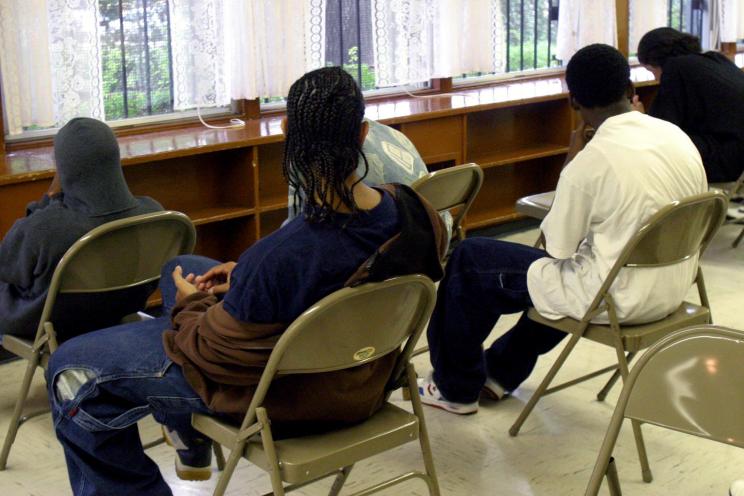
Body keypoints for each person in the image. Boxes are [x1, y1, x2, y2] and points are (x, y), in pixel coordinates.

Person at [47, 66, 447, 495]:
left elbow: (210, 354)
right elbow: (340, 278)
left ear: (287, 130)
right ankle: (189, 437)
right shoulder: (414, 212)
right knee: (179, 265)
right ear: (364, 133)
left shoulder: (281, 256)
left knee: (70, 368)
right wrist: (244, 279)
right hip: (367, 375)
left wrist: (191, 305)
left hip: (288, 398)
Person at [418, 44, 707, 415]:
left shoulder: (592, 160)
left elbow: (556, 248)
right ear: (631, 88)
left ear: (574, 102)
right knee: (561, 280)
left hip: (617, 299)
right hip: (673, 287)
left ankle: (454, 389)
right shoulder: (675, 136)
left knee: (471, 260)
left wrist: (573, 154)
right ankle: (499, 373)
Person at [0, 118, 161, 343]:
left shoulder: (45, 227)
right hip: (119, 311)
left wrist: (48, 197)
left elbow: (7, 266)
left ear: (64, 167)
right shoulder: (154, 213)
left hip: (53, 323)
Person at [287, 118, 454, 238]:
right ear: (363, 129)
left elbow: (297, 228)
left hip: (405, 245)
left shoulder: (309, 156)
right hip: (433, 238)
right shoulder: (392, 134)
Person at [636, 27, 744, 183]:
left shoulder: (675, 68)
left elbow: (661, 127)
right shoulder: (715, 59)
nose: (657, 79)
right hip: (735, 150)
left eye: (651, 71)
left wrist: (638, 118)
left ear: (656, 62)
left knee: (657, 144)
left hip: (730, 159)